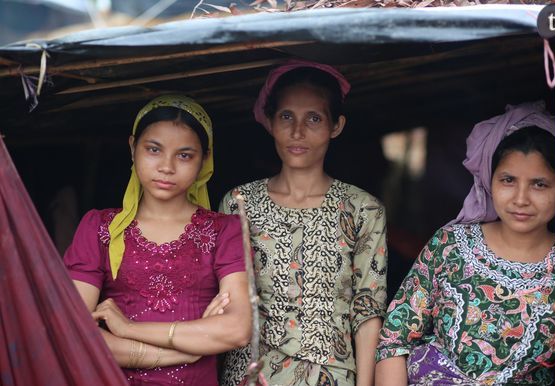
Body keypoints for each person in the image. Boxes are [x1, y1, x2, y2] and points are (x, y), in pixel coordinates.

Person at [219, 60, 388, 386]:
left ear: (336, 126)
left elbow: (368, 312)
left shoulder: (362, 209)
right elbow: (227, 302)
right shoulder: (238, 203)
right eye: (286, 117)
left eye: (314, 118)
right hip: (250, 376)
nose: (298, 132)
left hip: (329, 377)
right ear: (269, 122)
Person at [63, 95, 252, 386]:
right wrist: (186, 350)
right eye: (154, 149)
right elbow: (73, 335)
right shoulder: (100, 228)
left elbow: (237, 329)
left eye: (184, 155)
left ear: (205, 158)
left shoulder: (224, 231)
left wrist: (128, 329)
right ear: (132, 147)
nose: (166, 166)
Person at [375, 102, 555, 386]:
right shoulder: (450, 245)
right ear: (489, 180)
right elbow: (393, 342)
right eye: (508, 180)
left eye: (540, 184)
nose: (521, 198)